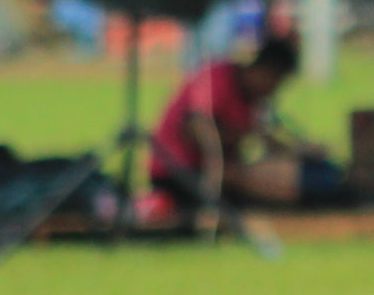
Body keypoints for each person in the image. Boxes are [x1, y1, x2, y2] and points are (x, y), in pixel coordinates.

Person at [146, 33, 342, 210]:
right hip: (177, 173)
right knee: (260, 179)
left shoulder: (251, 102)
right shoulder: (216, 77)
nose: (273, 92)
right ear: (264, 71)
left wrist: (300, 150)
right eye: (276, 83)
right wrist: (242, 138)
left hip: (212, 170)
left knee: (281, 177)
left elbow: (261, 139)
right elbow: (193, 129)